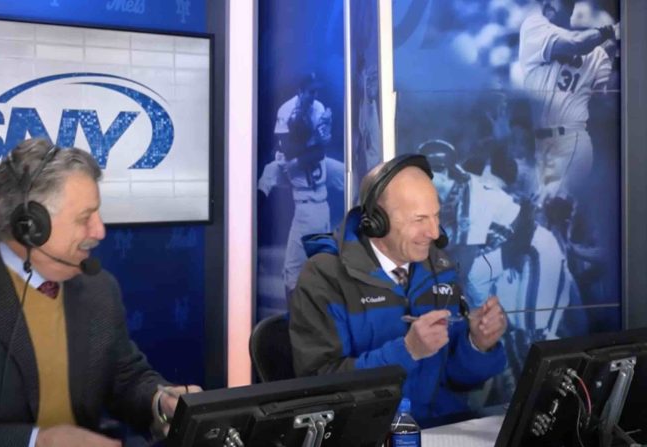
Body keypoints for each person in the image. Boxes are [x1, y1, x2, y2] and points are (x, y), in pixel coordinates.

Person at [0, 138, 199, 447]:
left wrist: (161, 401)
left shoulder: (98, 289)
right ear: (30, 226)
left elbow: (124, 376)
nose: (99, 231)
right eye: (85, 218)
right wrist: (36, 442)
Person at [289, 154, 507, 421]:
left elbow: (455, 378)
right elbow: (320, 390)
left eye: (436, 216)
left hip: (438, 432)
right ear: (376, 222)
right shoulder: (324, 278)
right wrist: (407, 351)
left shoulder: (440, 269)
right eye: (420, 220)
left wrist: (477, 344)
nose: (435, 232)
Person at [518, 0, 616, 202]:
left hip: (571, 140)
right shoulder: (536, 27)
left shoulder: (598, 55)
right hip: (543, 144)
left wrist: (612, 51)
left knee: (549, 203)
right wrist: (609, 34)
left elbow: (603, 98)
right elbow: (576, 42)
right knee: (542, 209)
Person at [257, 72, 344, 298]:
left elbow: (317, 152)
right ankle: (252, 214)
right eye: (311, 91)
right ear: (300, 91)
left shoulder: (318, 108)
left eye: (317, 90)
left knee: (344, 172)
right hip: (294, 170)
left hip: (309, 196)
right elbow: (288, 152)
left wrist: (311, 143)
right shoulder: (286, 111)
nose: (314, 95)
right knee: (270, 171)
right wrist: (313, 140)